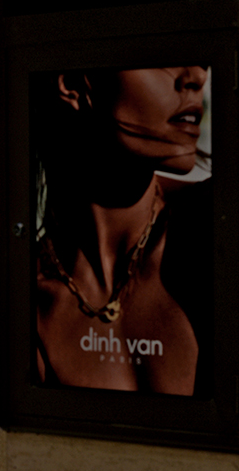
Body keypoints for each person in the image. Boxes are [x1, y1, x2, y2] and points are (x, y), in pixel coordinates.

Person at [35, 66, 211, 396]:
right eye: (162, 56)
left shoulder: (214, 226)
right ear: (73, 84)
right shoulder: (36, 299)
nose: (196, 78)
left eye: (202, 63)